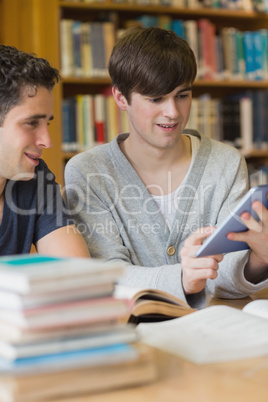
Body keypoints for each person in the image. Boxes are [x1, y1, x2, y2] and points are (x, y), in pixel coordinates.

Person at [65, 27, 268, 308]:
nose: (172, 112)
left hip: (213, 331)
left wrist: (260, 259)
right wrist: (182, 278)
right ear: (121, 98)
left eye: (182, 95)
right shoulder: (88, 172)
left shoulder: (226, 162)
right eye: (156, 99)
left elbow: (225, 275)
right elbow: (104, 275)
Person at [0, 44, 89, 257]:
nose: (47, 142)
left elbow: (76, 275)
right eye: (31, 123)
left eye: (46, 123)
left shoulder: (35, 177)